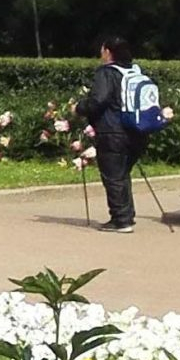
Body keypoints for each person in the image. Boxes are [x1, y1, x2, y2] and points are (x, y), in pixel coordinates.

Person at [73, 36, 141, 233]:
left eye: (102, 49)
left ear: (108, 52)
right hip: (136, 130)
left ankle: (121, 220)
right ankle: (127, 215)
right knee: (122, 174)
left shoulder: (107, 73)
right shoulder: (134, 71)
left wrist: (80, 108)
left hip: (113, 130)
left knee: (113, 176)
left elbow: (99, 99)